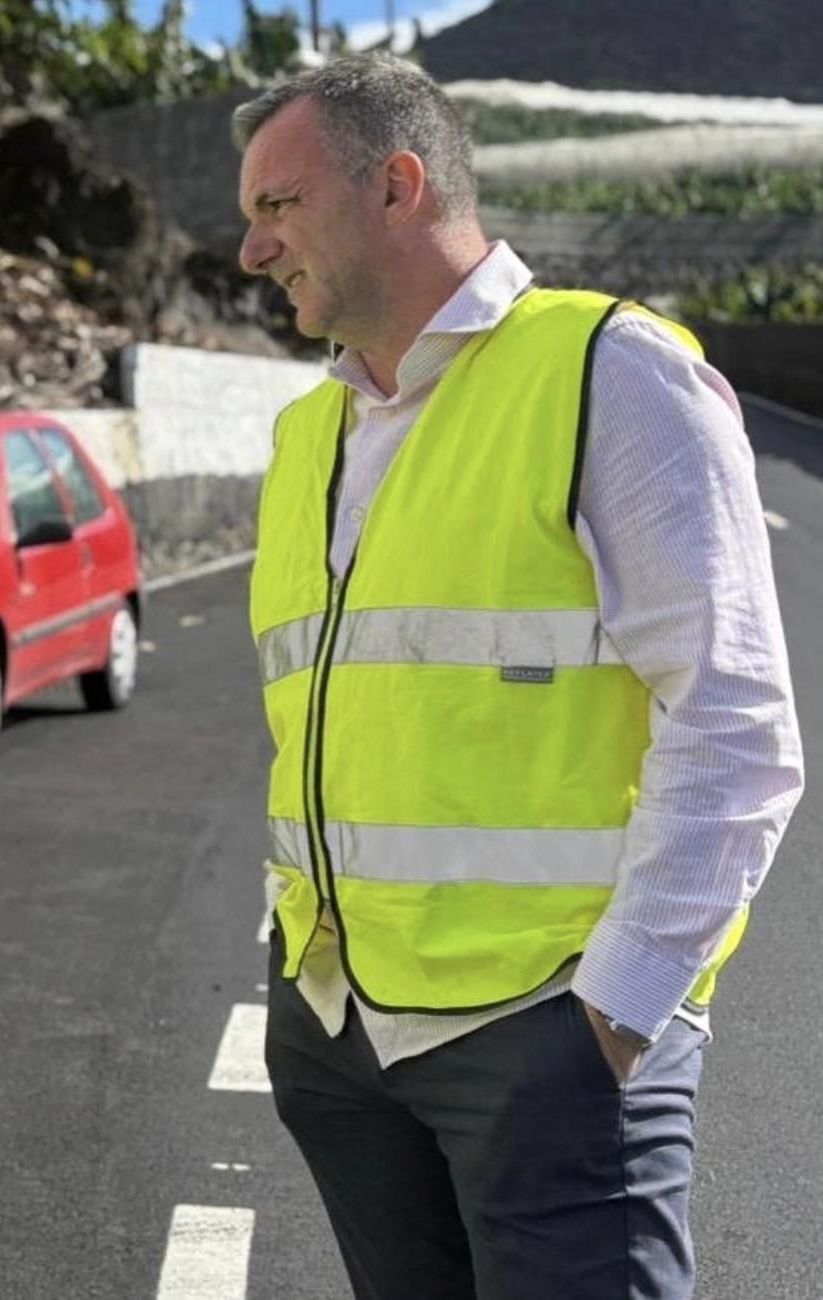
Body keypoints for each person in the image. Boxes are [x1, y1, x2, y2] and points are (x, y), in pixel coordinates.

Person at [234, 56, 803, 1300]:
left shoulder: (613, 372)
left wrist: (614, 1018)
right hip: (341, 1036)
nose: (251, 249)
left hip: (546, 1043)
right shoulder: (304, 435)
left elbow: (736, 723)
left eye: (278, 206)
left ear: (398, 187)